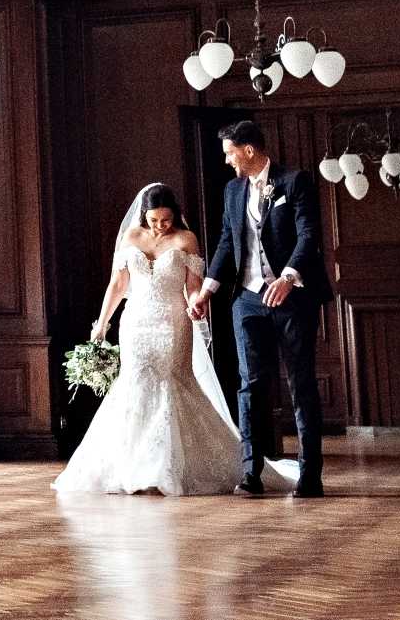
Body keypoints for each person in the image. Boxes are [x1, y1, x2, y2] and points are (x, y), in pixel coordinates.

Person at [53, 184, 244, 496]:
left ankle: (169, 468)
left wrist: (197, 303)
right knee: (135, 383)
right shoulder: (131, 238)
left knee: (172, 382)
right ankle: (133, 466)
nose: (160, 226)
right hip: (136, 322)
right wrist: (102, 324)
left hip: (173, 321)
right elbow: (117, 284)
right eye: (154, 220)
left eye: (166, 220)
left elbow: (193, 286)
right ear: (144, 216)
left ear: (175, 216)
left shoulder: (186, 239)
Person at [188, 119, 332, 498]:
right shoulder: (233, 190)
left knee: (300, 385)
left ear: (248, 150)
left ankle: (310, 475)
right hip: (247, 300)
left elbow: (308, 235)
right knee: (250, 385)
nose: (227, 161)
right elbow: (225, 242)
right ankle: (250, 473)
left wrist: (288, 278)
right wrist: (206, 291)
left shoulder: (294, 182)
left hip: (293, 298)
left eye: (229, 152)